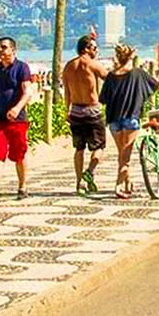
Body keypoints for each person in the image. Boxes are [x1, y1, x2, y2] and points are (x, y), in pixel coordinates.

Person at [99, 44, 159, 199]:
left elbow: (103, 99)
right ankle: (118, 187)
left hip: (113, 120)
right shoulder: (138, 73)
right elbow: (157, 85)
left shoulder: (111, 76)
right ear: (132, 56)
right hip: (131, 118)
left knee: (122, 154)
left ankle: (128, 182)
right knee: (125, 157)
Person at [0, 36, 33, 204]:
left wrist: (17, 108)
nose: (1, 50)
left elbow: (27, 92)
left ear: (13, 50)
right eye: (0, 48)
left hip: (17, 119)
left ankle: (22, 186)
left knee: (19, 153)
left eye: (4, 47)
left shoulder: (22, 68)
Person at [62, 35, 108, 197]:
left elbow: (66, 92)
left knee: (79, 148)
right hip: (91, 109)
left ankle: (79, 182)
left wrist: (66, 110)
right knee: (99, 147)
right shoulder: (92, 64)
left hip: (75, 110)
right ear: (86, 48)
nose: (96, 51)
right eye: (94, 48)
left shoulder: (68, 66)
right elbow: (110, 80)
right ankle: (89, 171)